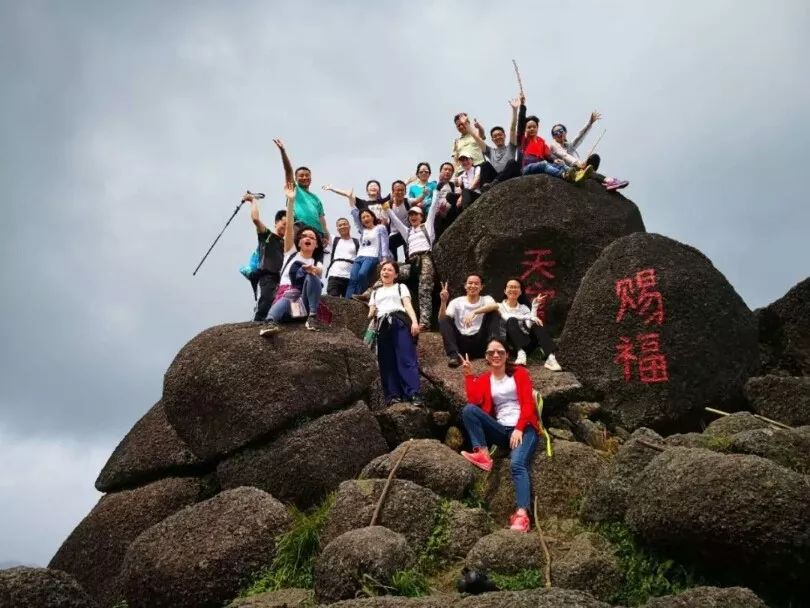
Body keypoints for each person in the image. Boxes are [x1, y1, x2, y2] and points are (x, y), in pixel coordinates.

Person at [459, 340, 540, 533]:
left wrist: (520, 428)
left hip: (524, 428)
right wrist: (469, 375)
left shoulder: (520, 374)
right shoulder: (486, 379)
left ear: (507, 355)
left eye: (500, 352)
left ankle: (522, 514)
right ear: (487, 357)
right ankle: (483, 454)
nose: (496, 355)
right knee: (468, 410)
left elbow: (528, 404)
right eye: (491, 352)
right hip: (501, 429)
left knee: (517, 464)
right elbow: (474, 401)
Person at [259, 183, 328, 335]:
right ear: (298, 241)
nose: (307, 238)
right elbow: (290, 227)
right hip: (286, 299)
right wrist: (290, 201)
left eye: (311, 237)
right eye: (303, 236)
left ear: (316, 244)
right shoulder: (290, 252)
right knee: (288, 296)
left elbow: (320, 271)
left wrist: (313, 270)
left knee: (312, 276)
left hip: (305, 302)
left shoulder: (317, 261)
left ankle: (312, 317)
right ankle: (269, 322)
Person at [368, 261, 423, 405]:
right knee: (386, 362)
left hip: (399, 321)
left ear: (396, 274)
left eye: (390, 270)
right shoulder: (375, 292)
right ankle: (393, 395)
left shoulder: (400, 287)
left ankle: (413, 393)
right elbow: (371, 312)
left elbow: (408, 305)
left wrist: (415, 322)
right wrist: (371, 311)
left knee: (406, 359)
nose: (385, 272)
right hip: (381, 325)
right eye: (383, 269)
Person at [388, 192, 440, 329]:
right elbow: (396, 221)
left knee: (424, 290)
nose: (413, 217)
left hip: (425, 259)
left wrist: (437, 190)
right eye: (411, 215)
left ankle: (424, 323)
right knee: (390, 272)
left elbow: (434, 207)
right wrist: (385, 207)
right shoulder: (408, 232)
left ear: (421, 216)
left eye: (416, 214)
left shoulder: (427, 226)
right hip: (411, 262)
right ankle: (368, 293)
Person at [273, 138, 330, 247]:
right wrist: (283, 151)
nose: (304, 177)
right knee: (297, 258)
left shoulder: (316, 199)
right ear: (296, 178)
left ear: (311, 178)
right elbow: (288, 170)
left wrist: (325, 235)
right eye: (301, 176)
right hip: (300, 228)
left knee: (314, 262)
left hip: (317, 234)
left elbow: (322, 219)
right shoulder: (294, 189)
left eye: (307, 175)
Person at [514, 98, 585, 183]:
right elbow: (520, 124)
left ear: (537, 128)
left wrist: (555, 160)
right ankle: (563, 175)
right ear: (525, 129)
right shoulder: (522, 140)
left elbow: (549, 155)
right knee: (543, 164)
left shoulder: (541, 142)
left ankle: (577, 175)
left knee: (560, 164)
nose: (532, 129)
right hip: (525, 169)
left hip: (539, 167)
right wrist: (522, 106)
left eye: (534, 127)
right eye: (529, 127)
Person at [549, 116, 629, 191]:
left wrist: (590, 123)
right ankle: (608, 181)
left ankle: (597, 179)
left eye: (561, 131)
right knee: (585, 169)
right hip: (568, 170)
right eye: (556, 133)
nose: (559, 134)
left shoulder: (568, 145)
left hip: (577, 167)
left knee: (594, 158)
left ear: (565, 132)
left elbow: (579, 137)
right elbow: (564, 155)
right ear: (553, 137)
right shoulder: (553, 145)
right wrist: (578, 163)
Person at [498, 278, 562, 370]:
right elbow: (506, 317)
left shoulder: (524, 308)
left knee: (536, 324)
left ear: (520, 292)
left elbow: (528, 326)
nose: (513, 289)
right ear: (505, 290)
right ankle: (520, 353)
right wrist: (529, 317)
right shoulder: (499, 306)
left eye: (516, 287)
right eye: (510, 287)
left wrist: (534, 306)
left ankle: (551, 358)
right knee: (512, 320)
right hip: (512, 346)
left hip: (527, 343)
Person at [438, 275, 499, 368]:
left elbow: (495, 306)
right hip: (462, 343)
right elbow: (442, 319)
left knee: (493, 313)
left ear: (481, 287)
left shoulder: (486, 299)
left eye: (476, 283)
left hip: (480, 341)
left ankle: (492, 351)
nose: (473, 286)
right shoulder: (456, 301)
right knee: (445, 319)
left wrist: (475, 312)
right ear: (465, 286)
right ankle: (454, 356)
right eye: (470, 283)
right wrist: (443, 302)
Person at [245, 192, 287, 322]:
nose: (286, 228)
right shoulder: (267, 235)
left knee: (279, 304)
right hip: (267, 275)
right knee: (266, 300)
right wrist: (253, 201)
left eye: (289, 226)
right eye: (284, 224)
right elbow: (256, 220)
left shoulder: (289, 244)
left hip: (282, 278)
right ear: (276, 223)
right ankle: (257, 323)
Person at [470, 99, 522, 188]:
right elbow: (477, 139)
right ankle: (486, 187)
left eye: (500, 135)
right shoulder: (490, 151)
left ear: (505, 136)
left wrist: (515, 110)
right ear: (492, 139)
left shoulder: (511, 146)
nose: (498, 137)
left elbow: (513, 128)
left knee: (512, 162)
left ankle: (495, 183)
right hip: (495, 177)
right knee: (484, 164)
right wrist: (468, 127)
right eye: (495, 136)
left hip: (509, 176)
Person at [345, 205, 390, 299]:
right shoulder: (362, 230)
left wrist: (385, 258)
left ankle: (364, 295)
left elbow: (385, 243)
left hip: (372, 256)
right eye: (363, 217)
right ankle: (348, 299)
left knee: (362, 274)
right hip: (359, 256)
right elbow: (354, 215)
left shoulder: (380, 228)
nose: (365, 218)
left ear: (373, 217)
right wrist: (350, 200)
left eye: (367, 216)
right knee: (353, 278)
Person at [324, 217, 359, 297]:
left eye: (344, 224)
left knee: (349, 304)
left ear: (349, 226)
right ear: (337, 228)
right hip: (334, 275)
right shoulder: (334, 239)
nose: (342, 226)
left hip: (350, 277)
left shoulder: (356, 242)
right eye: (340, 225)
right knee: (333, 301)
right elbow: (323, 228)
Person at [434, 162, 460, 239]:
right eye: (445, 169)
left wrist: (458, 185)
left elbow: (458, 195)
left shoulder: (452, 185)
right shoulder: (433, 184)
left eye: (450, 170)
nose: (448, 171)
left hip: (450, 212)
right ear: (440, 171)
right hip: (438, 214)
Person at [387, 180, 410, 261]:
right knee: (389, 242)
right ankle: (394, 263)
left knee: (408, 239)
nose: (400, 192)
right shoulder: (388, 204)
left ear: (405, 192)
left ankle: (409, 260)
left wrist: (424, 195)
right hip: (394, 233)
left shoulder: (408, 202)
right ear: (393, 192)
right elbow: (384, 220)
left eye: (402, 190)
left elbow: (417, 200)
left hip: (407, 232)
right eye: (397, 190)